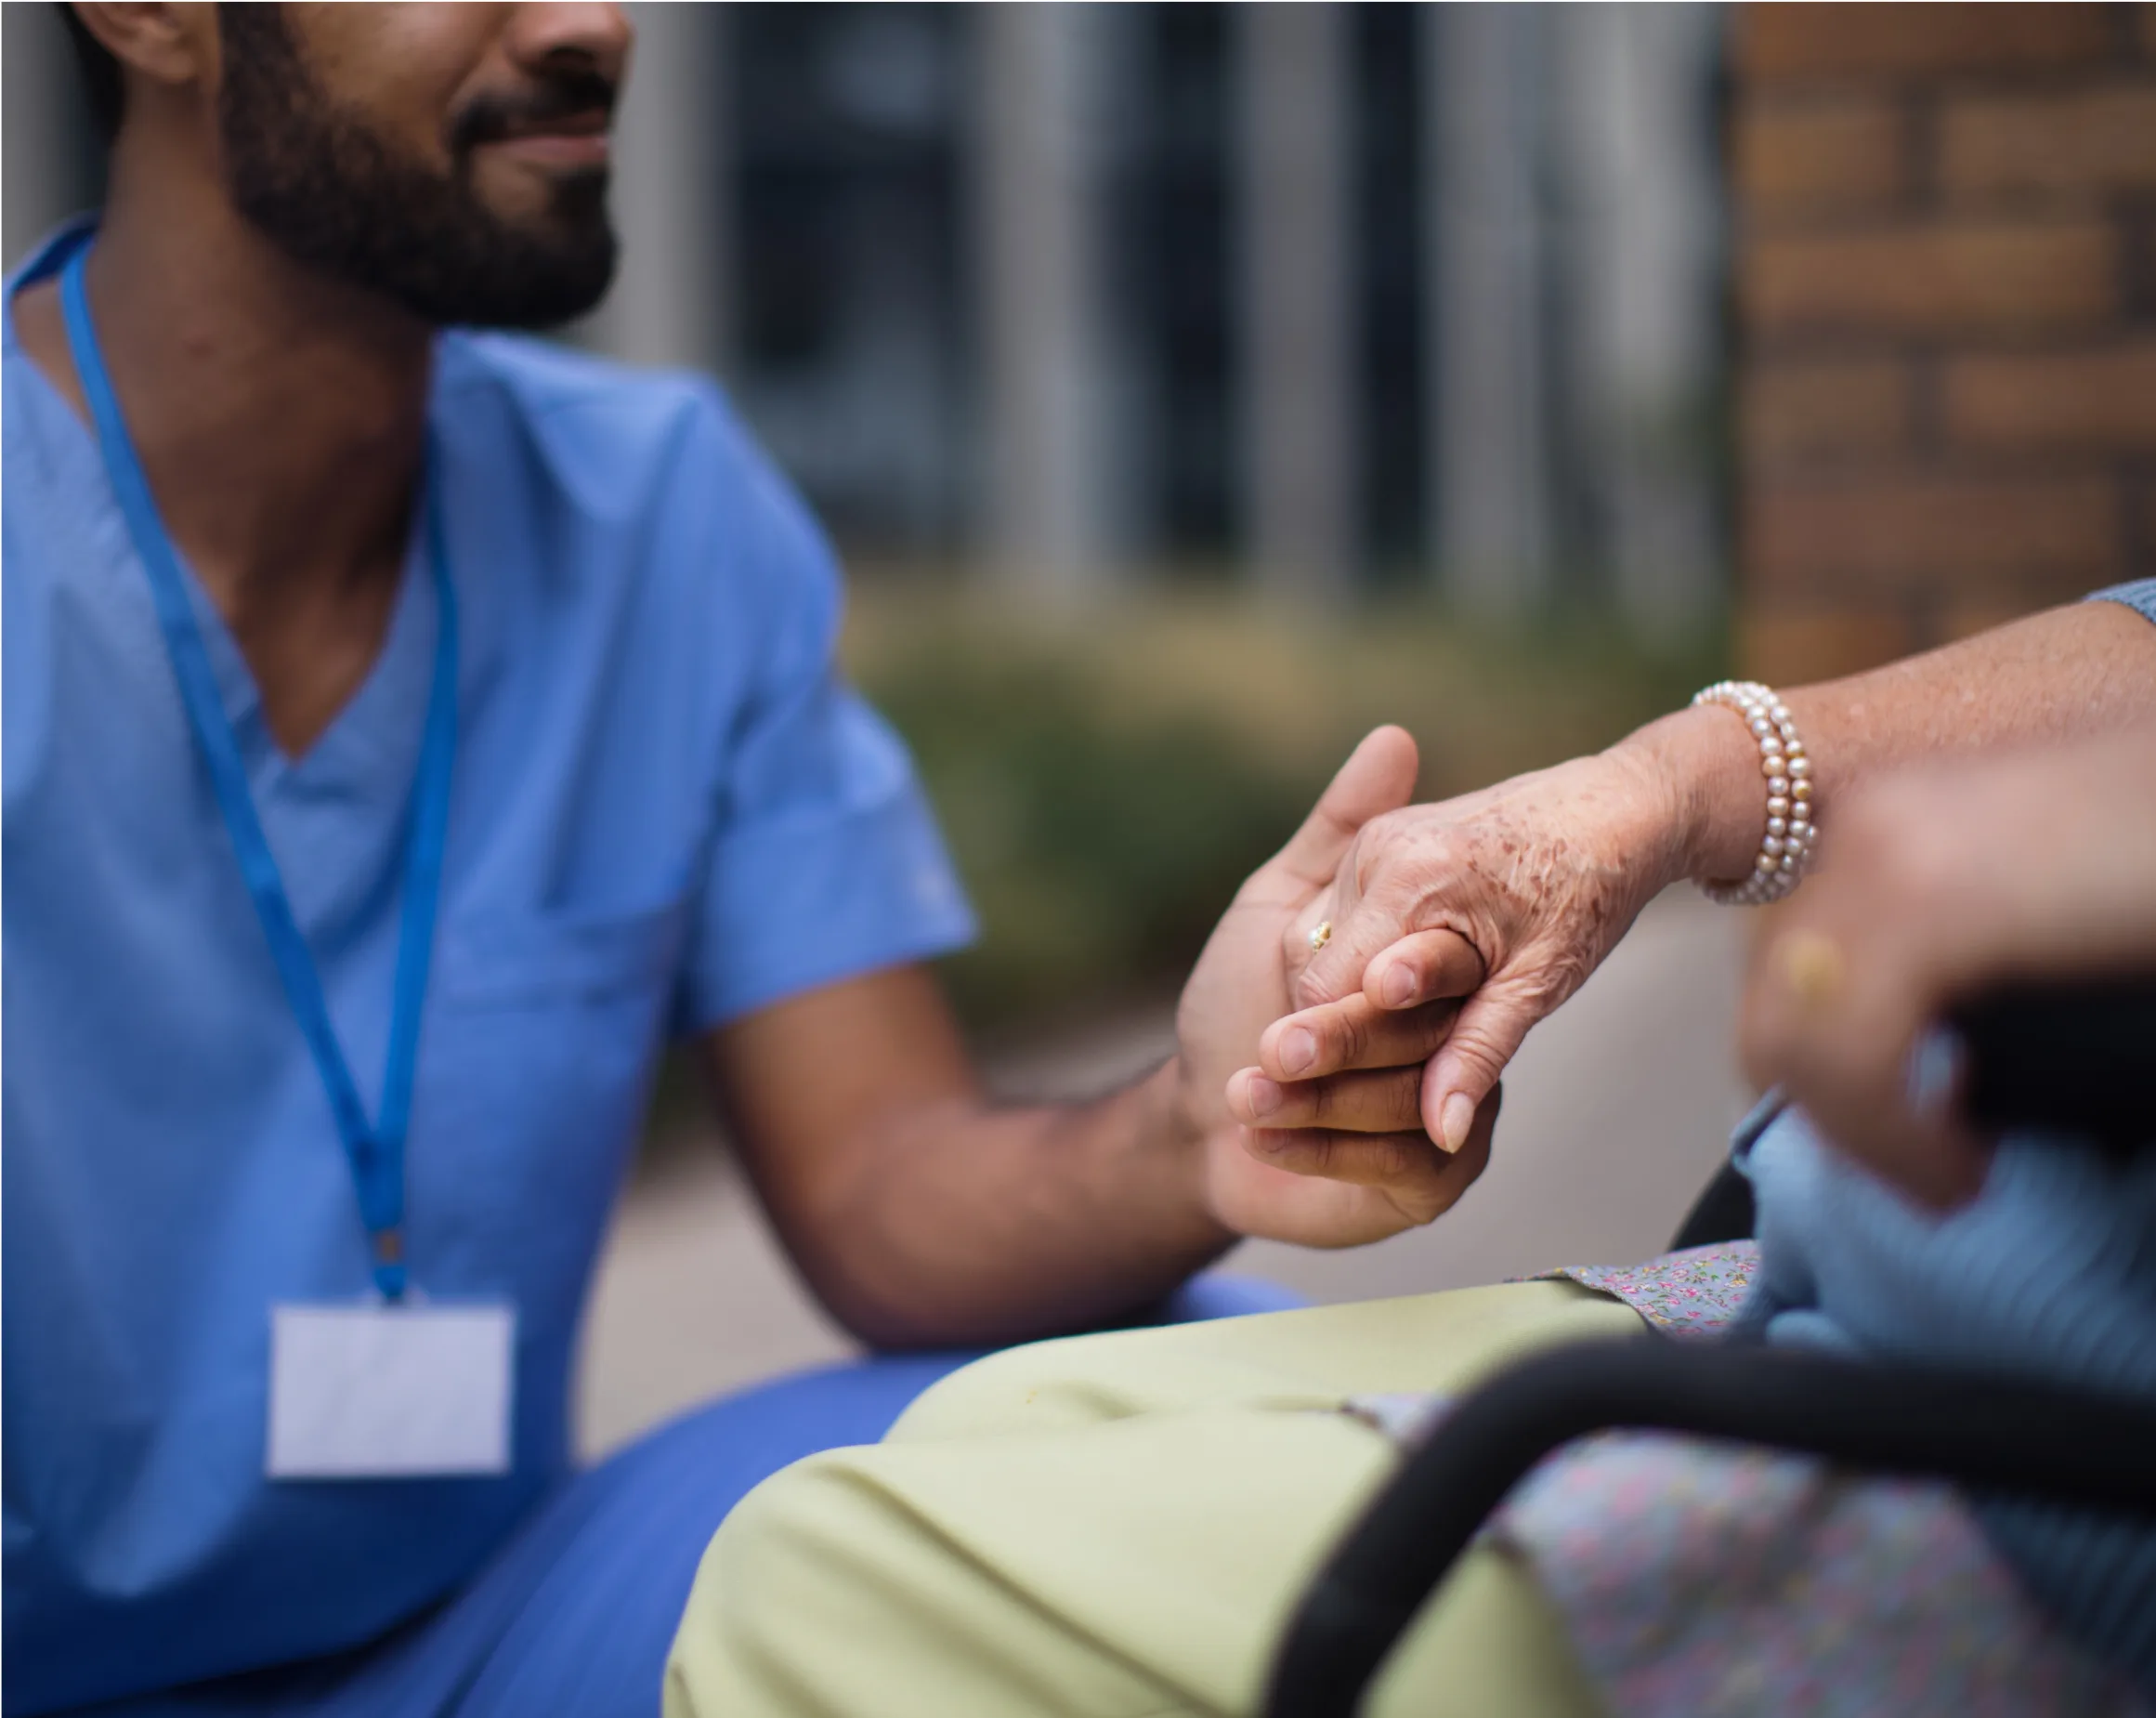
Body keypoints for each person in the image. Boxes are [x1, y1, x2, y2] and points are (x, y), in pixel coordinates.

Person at [3, 8, 1463, 1714]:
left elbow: (883, 1189)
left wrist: (1200, 1124)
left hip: (465, 1644)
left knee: (1194, 1399)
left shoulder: (659, 524)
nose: (591, 22)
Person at [665, 582, 2156, 1716]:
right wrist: (1667, 785)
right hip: (1840, 1283)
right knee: (998, 1421)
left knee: (811, 1578)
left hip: (2052, 1471)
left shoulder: (673, 537)